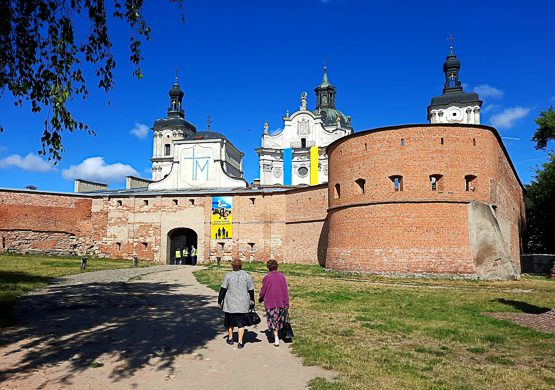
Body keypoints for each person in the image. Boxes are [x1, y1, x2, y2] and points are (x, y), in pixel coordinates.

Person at [218, 259, 255, 349]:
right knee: (241, 323)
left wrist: (220, 300)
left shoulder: (228, 276)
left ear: (232, 266)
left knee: (230, 321)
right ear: (241, 266)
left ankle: (230, 338)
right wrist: (252, 300)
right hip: (243, 303)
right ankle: (240, 342)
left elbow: (223, 289)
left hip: (230, 302)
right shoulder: (247, 276)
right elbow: (251, 289)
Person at [259, 259, 289, 347]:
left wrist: (261, 297)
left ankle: (276, 337)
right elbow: (285, 290)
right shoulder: (282, 276)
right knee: (279, 319)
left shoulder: (267, 277)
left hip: (270, 302)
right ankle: (277, 335)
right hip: (281, 302)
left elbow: (263, 290)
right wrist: (286, 303)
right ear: (277, 266)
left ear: (268, 267)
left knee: (272, 319)